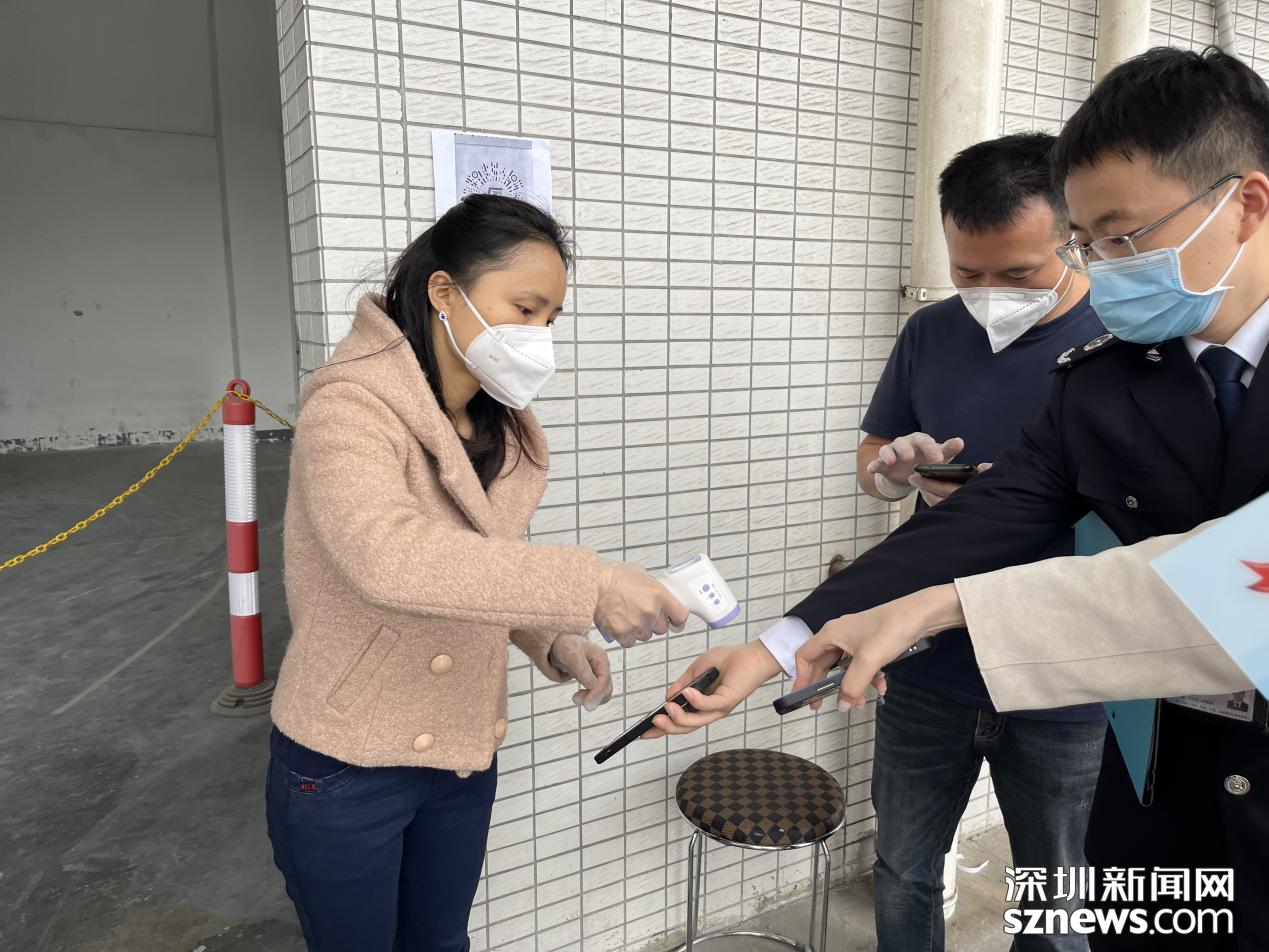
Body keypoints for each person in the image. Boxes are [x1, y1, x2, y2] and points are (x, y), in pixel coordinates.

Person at [654, 47, 1269, 950]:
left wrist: (942, 607)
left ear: (1245, 204)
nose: (1103, 268)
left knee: (1053, 897)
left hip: (1105, 711)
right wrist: (781, 644)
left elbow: (1242, 577)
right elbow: (988, 514)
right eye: (1087, 243)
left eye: (1120, 237)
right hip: (1157, 760)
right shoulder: (1107, 379)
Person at [667, 133, 1109, 952]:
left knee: (1058, 893)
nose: (989, 296)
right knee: (903, 868)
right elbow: (898, 481)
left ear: (1073, 239)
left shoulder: (1115, 346)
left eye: (1016, 274)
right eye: (967, 273)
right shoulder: (930, 333)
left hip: (1061, 674)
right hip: (920, 665)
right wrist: (896, 478)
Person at [265, 194, 689, 952]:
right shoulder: (349, 405)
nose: (536, 336)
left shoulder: (496, 426)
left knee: (441, 944)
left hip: (460, 754)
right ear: (443, 291)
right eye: (523, 309)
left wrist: (551, 638)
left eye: (550, 318)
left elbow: (478, 566)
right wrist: (590, 584)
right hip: (346, 762)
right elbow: (389, 557)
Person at [796, 519, 1253, 713]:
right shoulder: (1099, 369)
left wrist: (929, 609)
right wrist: (786, 636)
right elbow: (1008, 493)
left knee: (1057, 869)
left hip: (1071, 704)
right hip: (930, 673)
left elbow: (1223, 588)